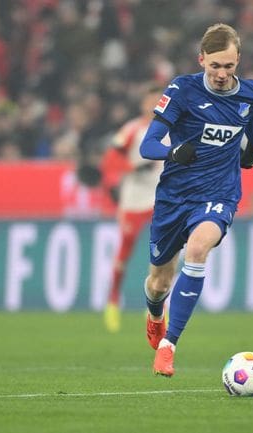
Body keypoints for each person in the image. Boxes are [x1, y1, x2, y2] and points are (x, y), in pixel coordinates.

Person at [139, 23, 253, 377]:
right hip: (174, 197)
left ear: (238, 60)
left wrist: (252, 153)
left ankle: (169, 346)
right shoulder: (182, 90)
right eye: (215, 66)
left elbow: (250, 129)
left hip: (219, 194)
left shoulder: (252, 93)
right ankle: (154, 314)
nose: (222, 74)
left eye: (229, 66)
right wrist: (174, 151)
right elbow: (147, 145)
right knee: (159, 281)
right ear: (202, 60)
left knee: (197, 250)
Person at [101, 86, 166, 333]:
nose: (153, 105)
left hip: (160, 198)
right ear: (142, 104)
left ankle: (155, 305)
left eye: (157, 100)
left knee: (163, 252)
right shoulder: (132, 129)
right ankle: (113, 301)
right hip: (134, 198)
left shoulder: (174, 128)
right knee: (125, 249)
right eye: (150, 100)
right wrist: (132, 168)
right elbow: (110, 158)